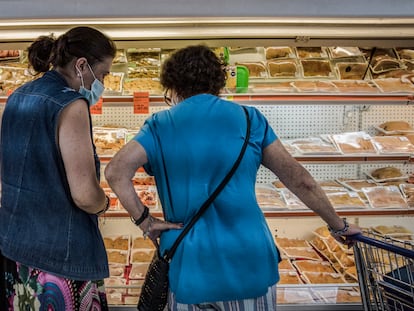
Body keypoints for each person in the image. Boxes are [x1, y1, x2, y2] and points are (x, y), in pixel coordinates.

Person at [104, 45, 361, 311]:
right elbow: (300, 180)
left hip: (191, 262)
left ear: (172, 85)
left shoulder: (160, 125)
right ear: (218, 82)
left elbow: (115, 172)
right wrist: (338, 225)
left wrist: (145, 220)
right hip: (249, 259)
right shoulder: (251, 120)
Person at [0, 26, 116, 310]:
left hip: (15, 247)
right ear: (81, 65)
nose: (102, 82)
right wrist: (104, 204)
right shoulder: (71, 104)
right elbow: (85, 195)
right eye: (102, 74)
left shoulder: (18, 95)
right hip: (59, 258)